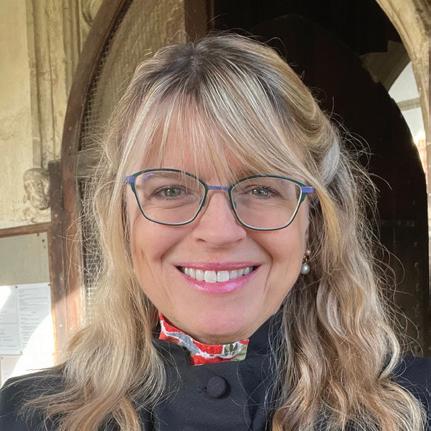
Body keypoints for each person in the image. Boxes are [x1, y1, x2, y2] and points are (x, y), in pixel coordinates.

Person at [1, 34, 430, 431]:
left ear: (313, 224)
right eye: (171, 190)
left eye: (262, 189)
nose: (220, 231)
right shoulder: (27, 416)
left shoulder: (416, 407)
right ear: (123, 221)